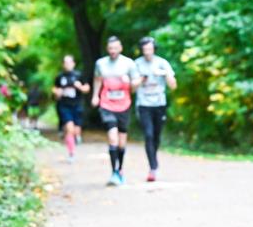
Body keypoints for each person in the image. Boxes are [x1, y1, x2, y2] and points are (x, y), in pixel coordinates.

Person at [92, 36, 142, 186]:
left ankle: (120, 170)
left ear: (120, 48)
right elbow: (97, 79)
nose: (113, 51)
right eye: (110, 48)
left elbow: (136, 86)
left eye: (115, 48)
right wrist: (95, 96)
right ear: (108, 49)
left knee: (121, 142)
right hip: (107, 105)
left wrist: (131, 83)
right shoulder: (100, 63)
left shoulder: (129, 64)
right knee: (112, 138)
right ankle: (113, 172)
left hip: (124, 105)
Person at [134, 36, 177, 182]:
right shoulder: (137, 64)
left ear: (154, 49)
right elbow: (131, 88)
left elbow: (173, 86)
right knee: (148, 135)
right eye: (145, 49)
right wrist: (141, 80)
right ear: (142, 50)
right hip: (143, 104)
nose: (147, 52)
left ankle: (154, 160)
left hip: (159, 104)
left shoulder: (162, 63)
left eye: (150, 49)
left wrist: (165, 74)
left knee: (156, 136)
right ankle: (153, 168)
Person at [53, 55, 90, 162]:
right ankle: (71, 153)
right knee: (69, 129)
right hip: (64, 106)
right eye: (65, 62)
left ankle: (76, 137)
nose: (67, 64)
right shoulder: (60, 77)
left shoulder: (79, 75)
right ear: (63, 64)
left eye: (69, 62)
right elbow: (55, 90)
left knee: (76, 130)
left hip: (77, 105)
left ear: (73, 63)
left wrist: (80, 87)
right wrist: (57, 93)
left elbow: (87, 88)